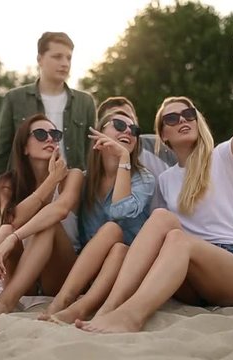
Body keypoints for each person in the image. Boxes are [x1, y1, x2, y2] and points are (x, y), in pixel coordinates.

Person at [76, 41, 233, 333]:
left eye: (189, 114)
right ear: (163, 133)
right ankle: (110, 309)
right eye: (172, 118)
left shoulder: (224, 157)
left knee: (178, 239)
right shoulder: (165, 179)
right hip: (189, 274)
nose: (183, 120)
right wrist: (123, 160)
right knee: (163, 222)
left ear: (197, 121)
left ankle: (131, 317)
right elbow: (139, 225)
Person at [0, 114, 84, 321]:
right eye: (40, 134)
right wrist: (50, 182)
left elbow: (60, 210)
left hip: (58, 273)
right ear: (24, 147)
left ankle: (5, 302)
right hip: (20, 275)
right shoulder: (9, 182)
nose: (50, 139)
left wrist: (56, 180)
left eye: (55, 134)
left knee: (48, 224)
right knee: (6, 229)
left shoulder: (73, 176)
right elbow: (12, 221)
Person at [38, 106, 155, 324]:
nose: (128, 131)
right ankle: (64, 301)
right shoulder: (85, 180)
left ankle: (70, 305)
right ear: (99, 134)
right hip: (88, 271)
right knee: (52, 224)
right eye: (120, 125)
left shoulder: (144, 179)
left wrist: (123, 158)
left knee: (114, 235)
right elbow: (56, 209)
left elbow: (119, 211)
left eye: (134, 129)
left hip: (125, 272)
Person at [0, 32, 96, 235]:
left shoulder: (85, 102)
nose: (65, 63)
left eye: (69, 58)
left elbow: (91, 155)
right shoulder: (15, 99)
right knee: (13, 237)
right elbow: (0, 150)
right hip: (26, 189)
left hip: (68, 193)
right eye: (57, 56)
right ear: (40, 59)